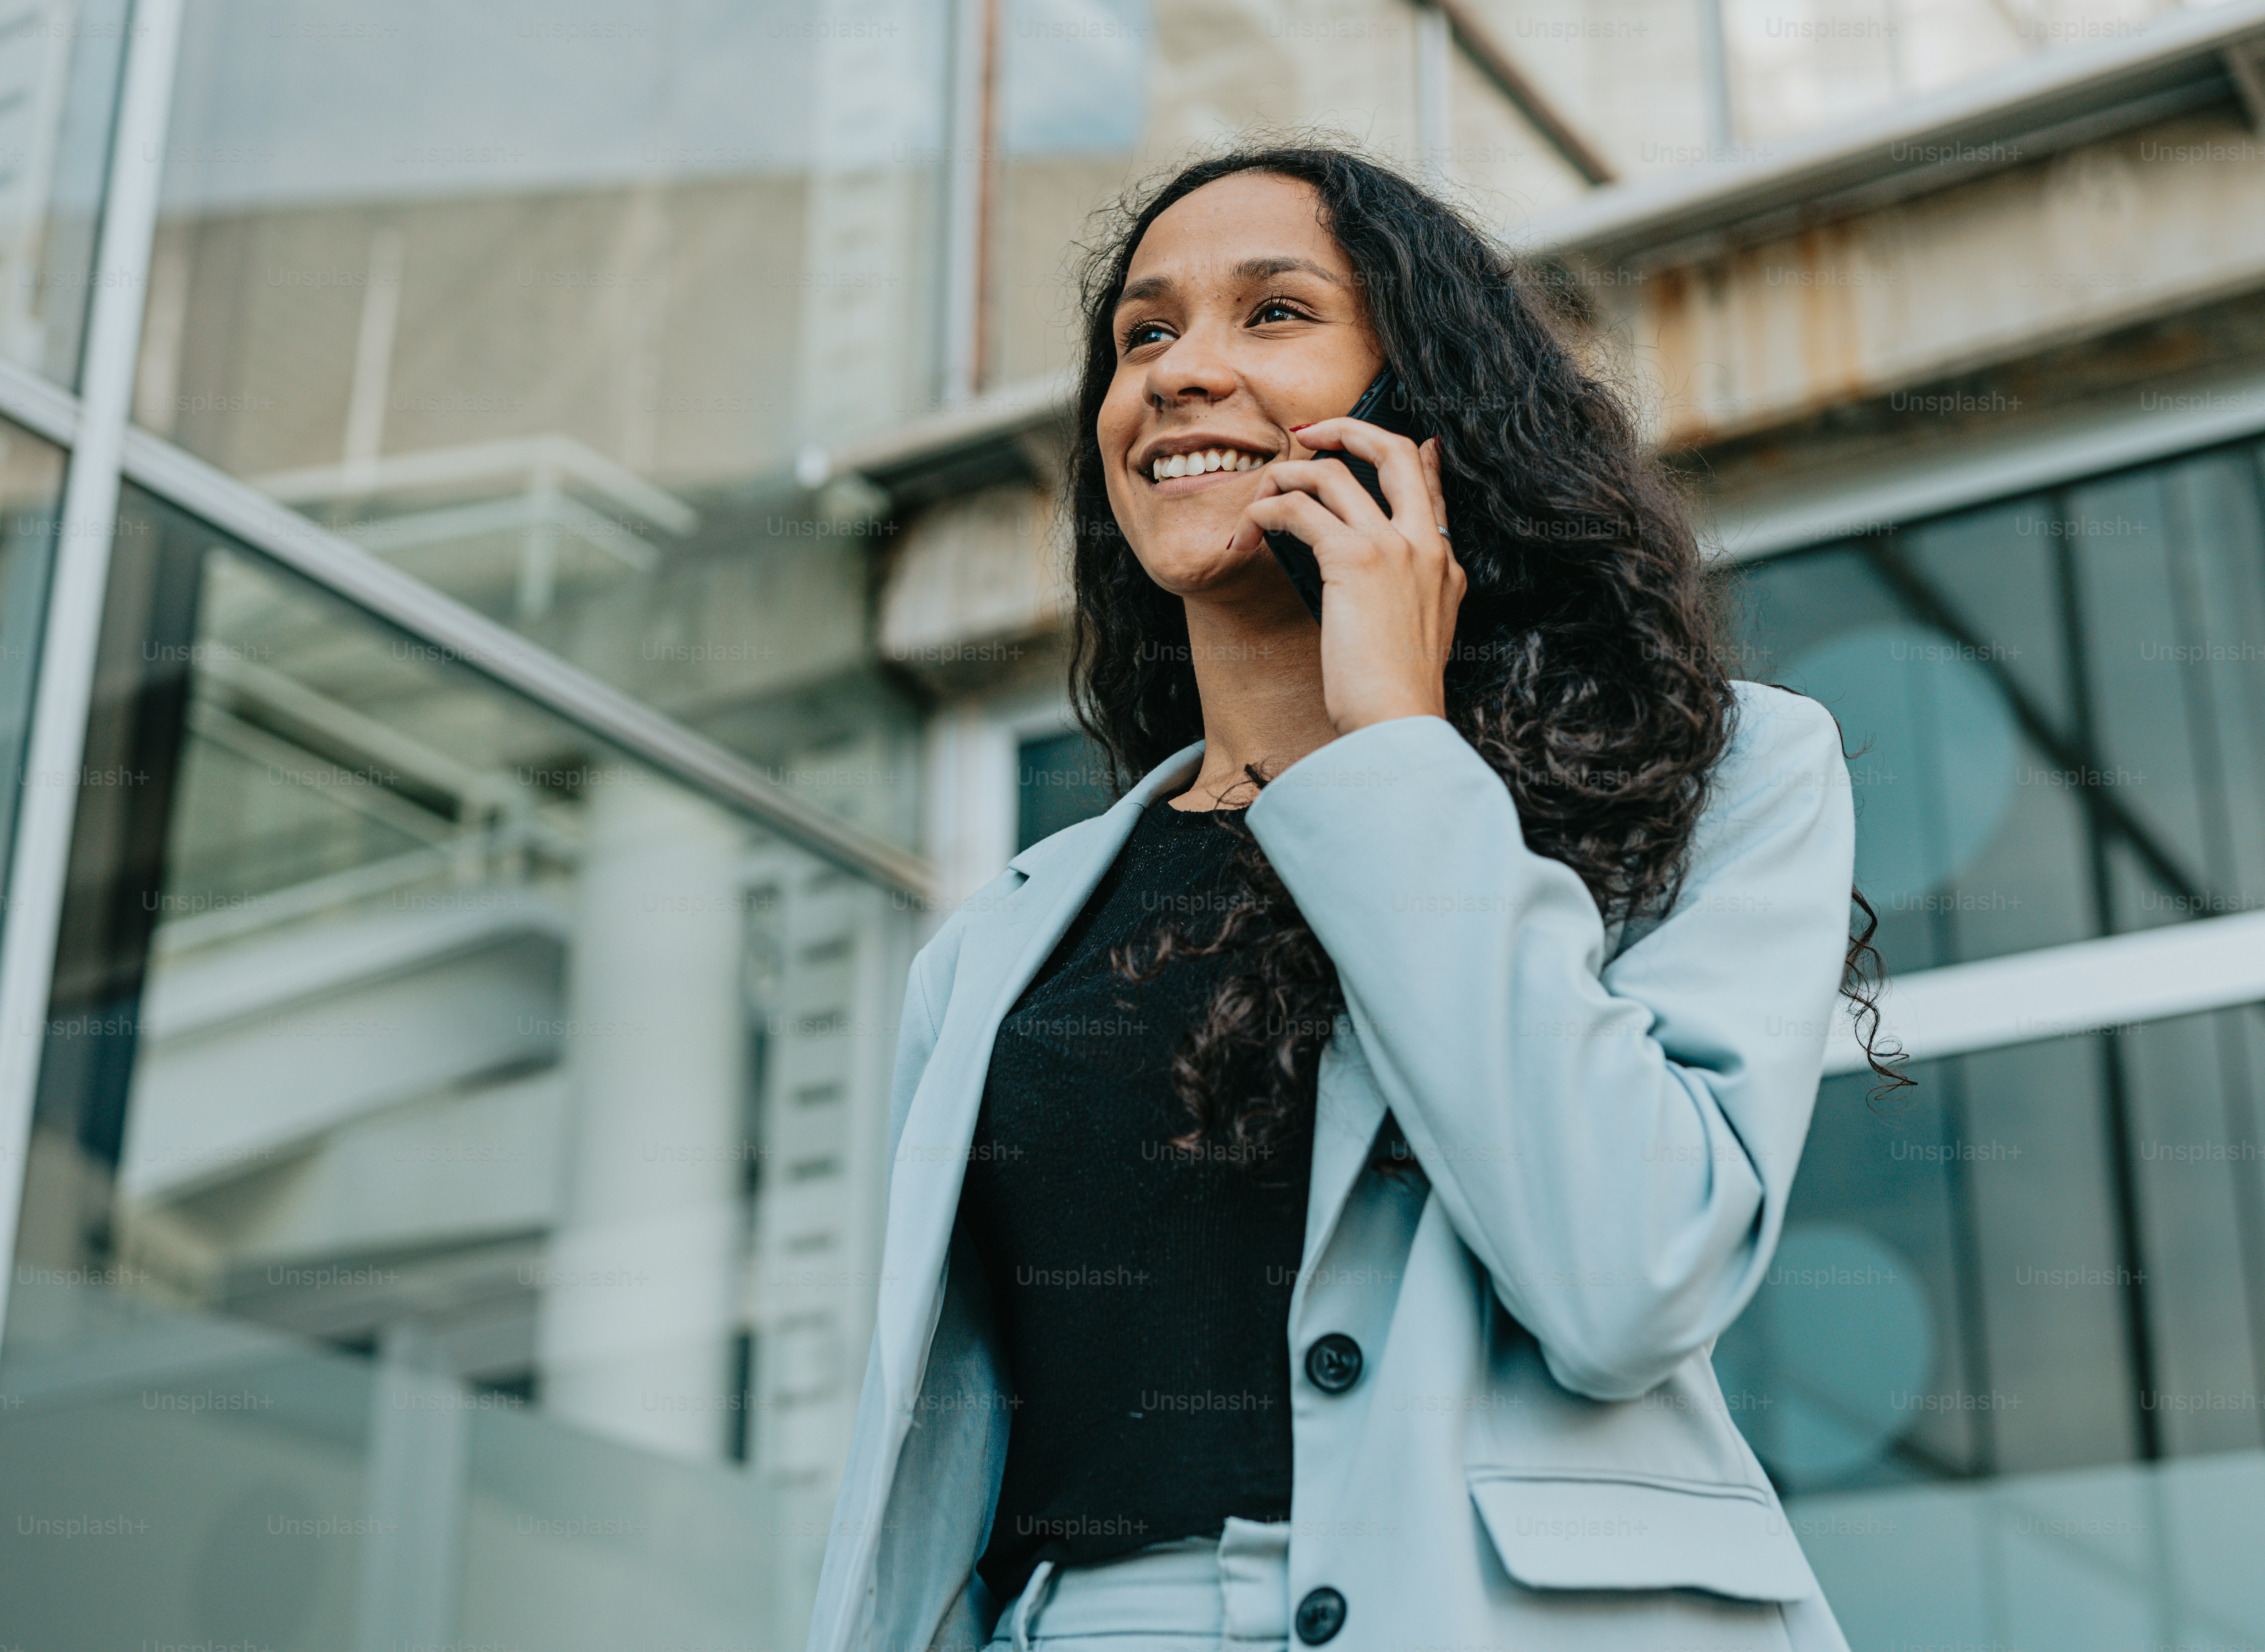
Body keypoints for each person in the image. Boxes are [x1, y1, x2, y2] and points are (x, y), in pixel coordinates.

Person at [806, 142, 1893, 1652]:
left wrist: (1394, 747)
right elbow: (931, 1483)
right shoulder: (999, 941)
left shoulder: (1724, 775)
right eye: (1144, 334)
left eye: (1273, 315)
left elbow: (1631, 1276)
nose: (1183, 372)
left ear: (1419, 408)